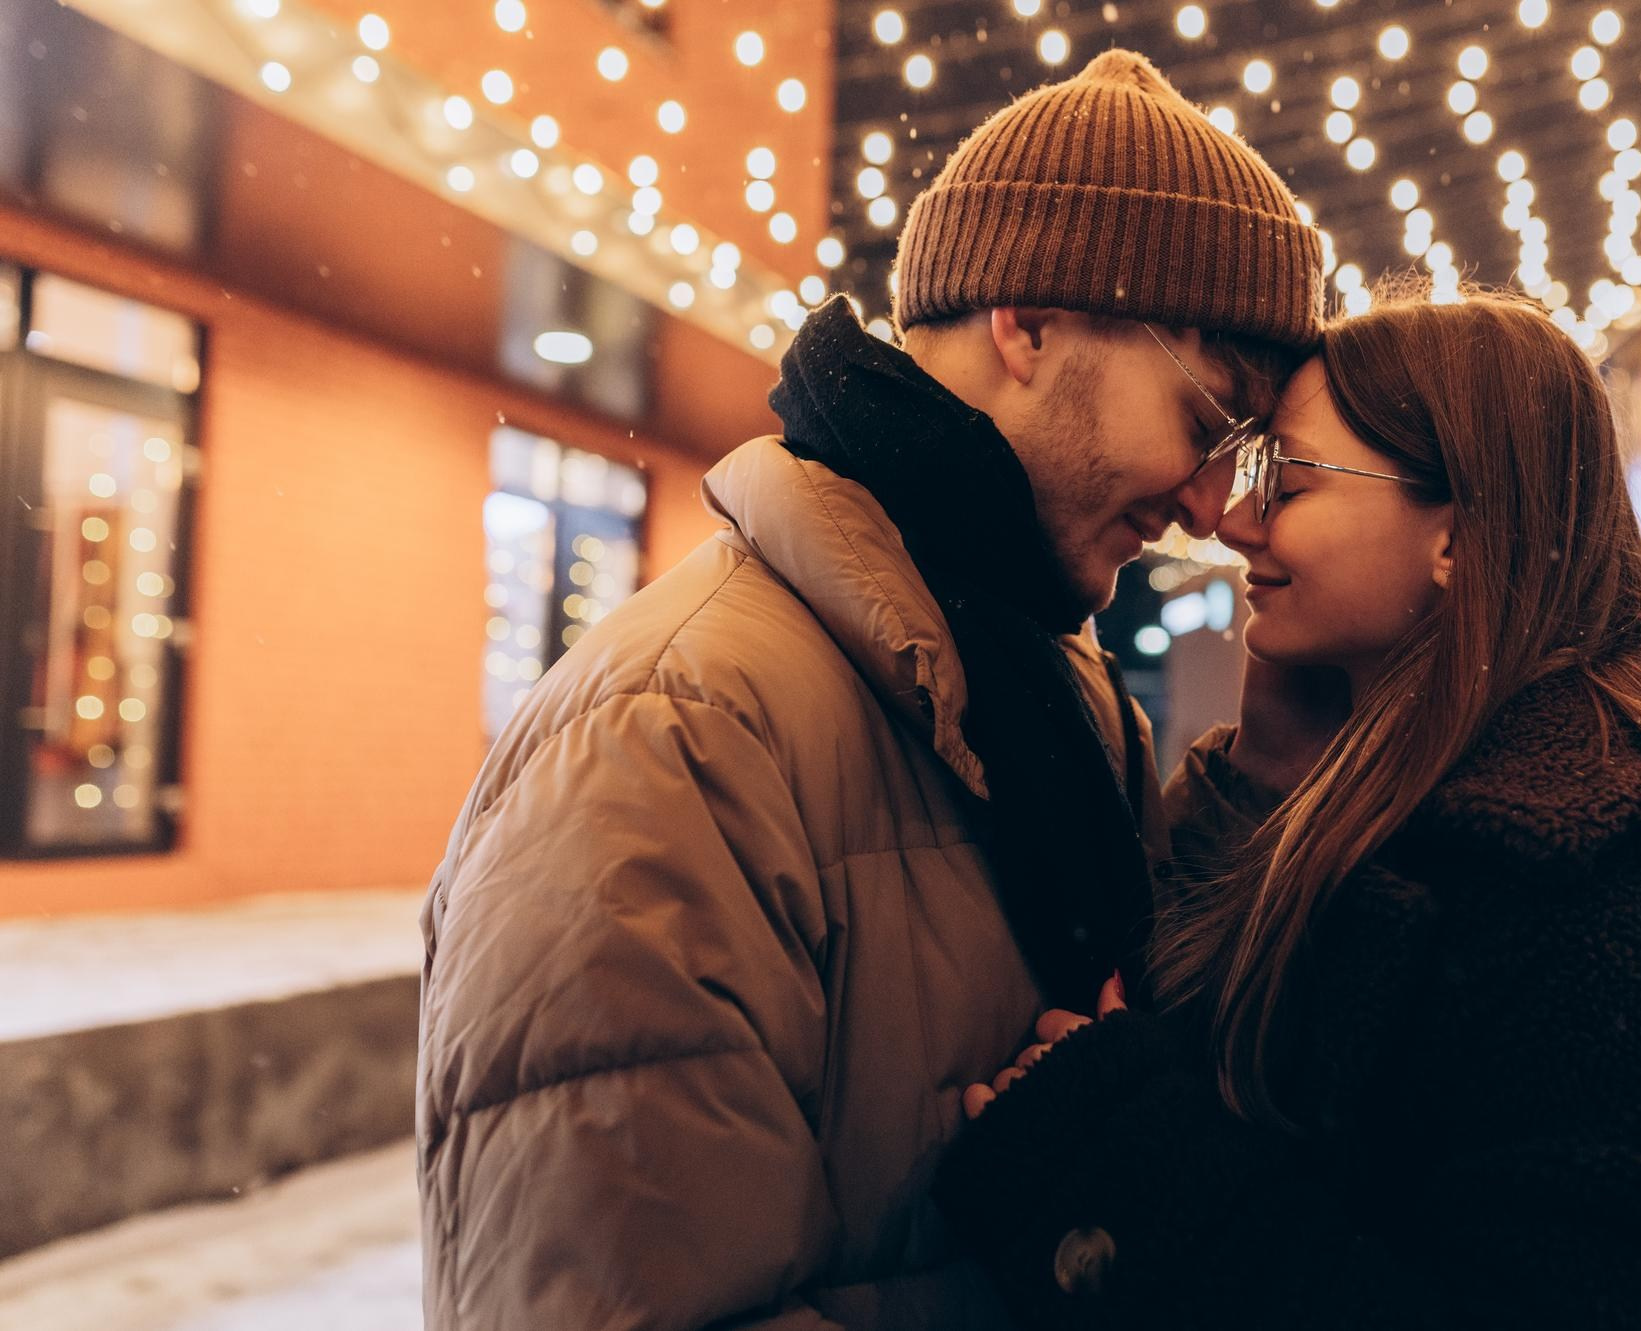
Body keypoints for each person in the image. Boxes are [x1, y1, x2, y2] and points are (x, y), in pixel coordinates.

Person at [414, 50, 1323, 1331]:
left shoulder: (1054, 691)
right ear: (1028, 322)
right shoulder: (673, 727)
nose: (1209, 507)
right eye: (1207, 418)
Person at [937, 289, 1641, 1331]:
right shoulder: (1398, 802)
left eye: (1290, 481)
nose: (1234, 518)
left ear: (1456, 536)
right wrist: (1256, 780)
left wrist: (1115, 1156)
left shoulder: (1570, 886)